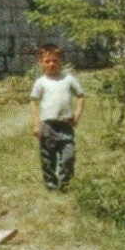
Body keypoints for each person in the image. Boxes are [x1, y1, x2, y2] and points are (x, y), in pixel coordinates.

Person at [30, 43, 85, 189]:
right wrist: (36, 124)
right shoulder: (41, 82)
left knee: (69, 155)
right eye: (47, 61)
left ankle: (66, 182)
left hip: (66, 124)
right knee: (48, 158)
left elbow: (80, 96)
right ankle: (51, 184)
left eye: (55, 60)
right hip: (48, 125)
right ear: (40, 63)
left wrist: (77, 115)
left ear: (61, 60)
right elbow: (34, 102)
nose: (52, 64)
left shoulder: (68, 79)